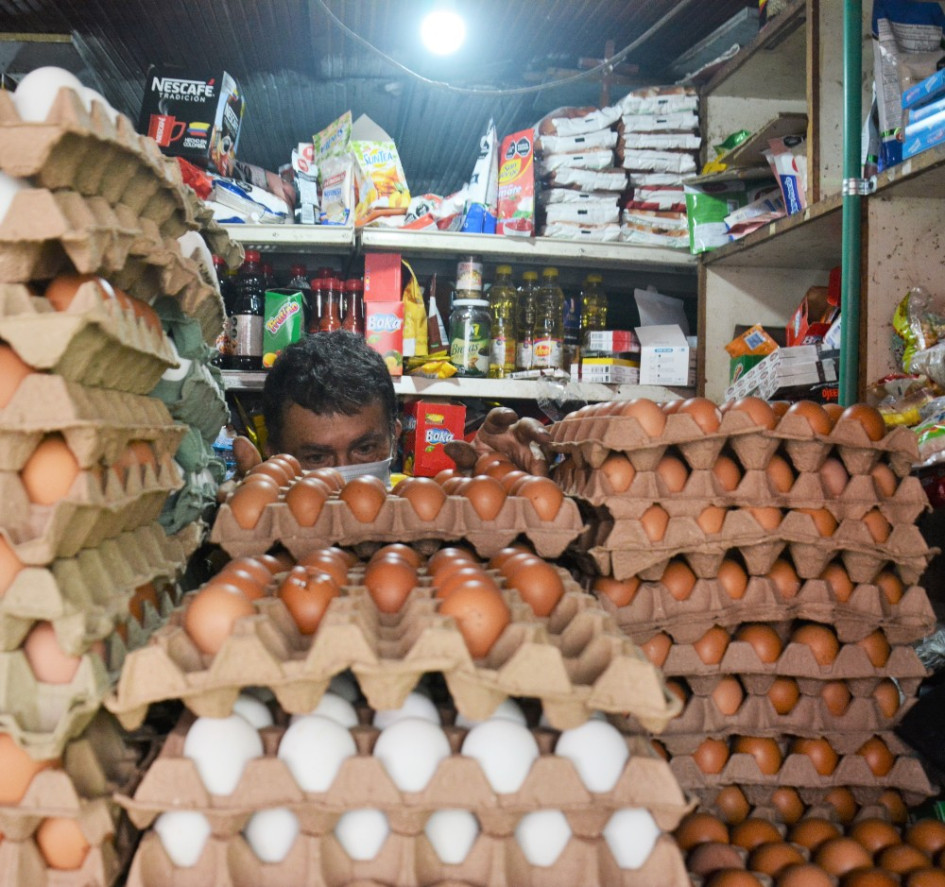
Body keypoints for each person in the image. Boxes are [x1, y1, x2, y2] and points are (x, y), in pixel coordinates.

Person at [232, 329, 553, 477]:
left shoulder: (416, 505)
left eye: (365, 449)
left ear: (395, 436)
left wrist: (493, 477)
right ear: (273, 452)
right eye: (316, 456)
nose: (346, 474)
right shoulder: (264, 516)